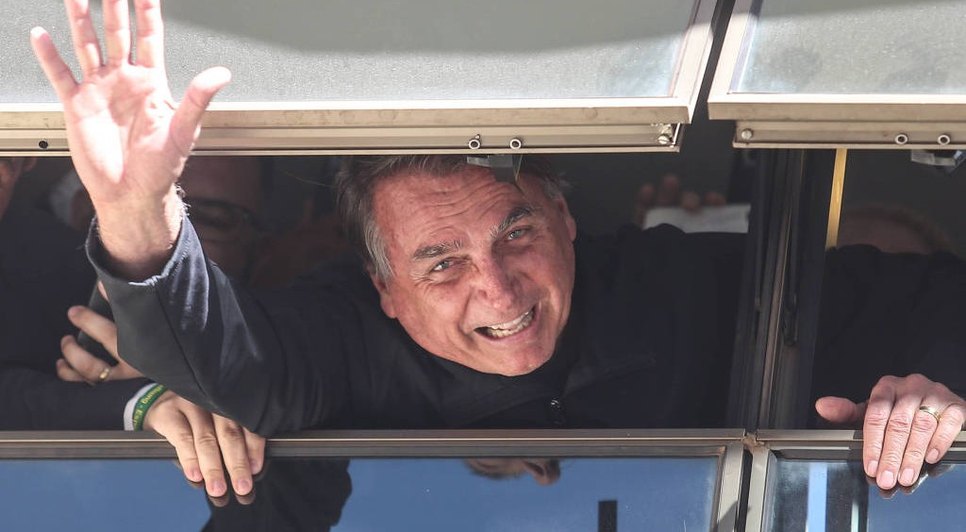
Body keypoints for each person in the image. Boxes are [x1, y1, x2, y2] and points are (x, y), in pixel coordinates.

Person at [29, 0, 966, 501]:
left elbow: (940, 303)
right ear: (383, 286)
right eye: (441, 263)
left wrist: (937, 394)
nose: (500, 288)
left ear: (564, 216)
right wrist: (138, 208)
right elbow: (226, 364)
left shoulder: (676, 284)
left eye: (516, 232)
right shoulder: (344, 332)